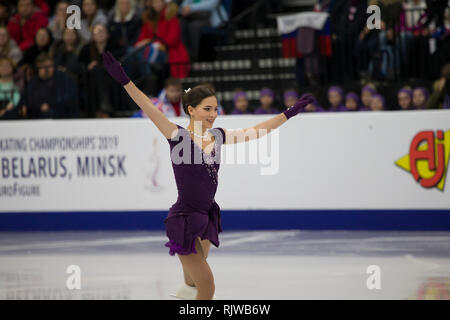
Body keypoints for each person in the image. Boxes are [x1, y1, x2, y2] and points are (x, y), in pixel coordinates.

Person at [102, 50, 314, 300]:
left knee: (191, 285)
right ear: (191, 110)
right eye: (207, 109)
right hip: (185, 220)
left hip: (206, 218)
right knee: (208, 286)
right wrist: (125, 80)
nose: (214, 114)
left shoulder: (218, 136)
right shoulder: (177, 136)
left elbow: (257, 131)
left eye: (216, 108)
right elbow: (147, 105)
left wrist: (287, 114)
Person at [21, 53, 80, 119]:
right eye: (42, 67)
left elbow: (69, 99)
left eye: (49, 67)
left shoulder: (64, 79)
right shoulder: (33, 82)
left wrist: (50, 105)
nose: (46, 70)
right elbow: (27, 99)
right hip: (37, 113)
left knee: (50, 113)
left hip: (61, 113)